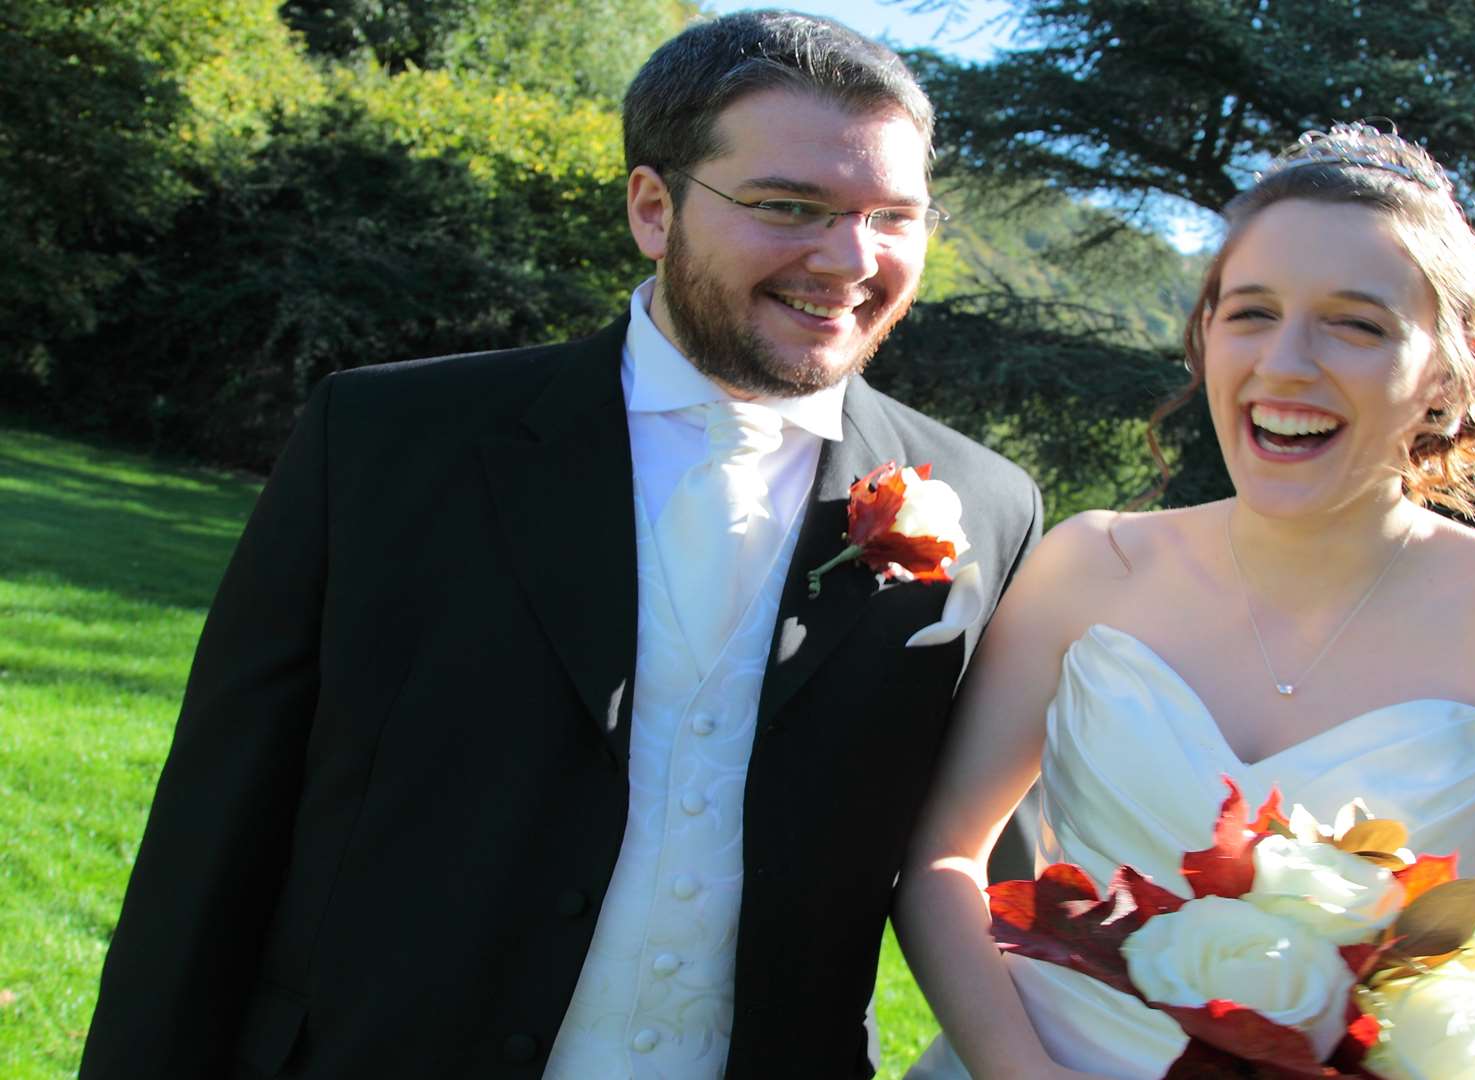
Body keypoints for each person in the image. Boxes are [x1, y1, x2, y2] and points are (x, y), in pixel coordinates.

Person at [79, 12, 1041, 1079]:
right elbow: (210, 840)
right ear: (651, 207)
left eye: (893, 217)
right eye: (789, 207)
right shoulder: (386, 444)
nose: (853, 259)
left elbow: (995, 884)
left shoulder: (990, 511)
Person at [895, 124, 1475, 1077]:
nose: (1287, 363)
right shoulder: (1088, 566)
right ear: (1206, 338)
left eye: (1357, 324)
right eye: (1251, 312)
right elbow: (941, 861)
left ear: (1449, 375)